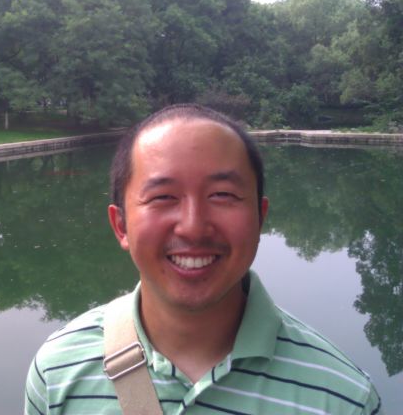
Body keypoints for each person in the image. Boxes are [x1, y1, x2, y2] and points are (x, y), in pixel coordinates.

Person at [25, 104, 382, 414]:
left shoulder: (343, 399)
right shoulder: (58, 373)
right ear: (121, 226)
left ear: (260, 218)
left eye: (222, 195)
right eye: (163, 197)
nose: (193, 227)